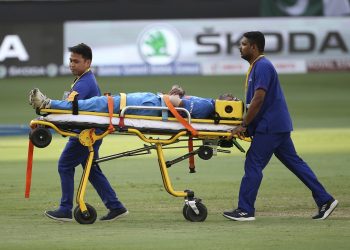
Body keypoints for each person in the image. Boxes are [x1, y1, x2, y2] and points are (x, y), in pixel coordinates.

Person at [223, 31, 338, 221]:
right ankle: (325, 199)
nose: (240, 47)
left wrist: (244, 124)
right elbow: (255, 101)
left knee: (253, 162)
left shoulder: (263, 66)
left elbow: (259, 98)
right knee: (295, 163)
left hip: (270, 126)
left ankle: (245, 210)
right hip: (277, 125)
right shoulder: (257, 66)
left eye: (243, 44)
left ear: (254, 47)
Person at [38, 43, 128, 222]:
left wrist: (46, 115)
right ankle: (116, 206)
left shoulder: (85, 83)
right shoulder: (83, 80)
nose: (71, 64)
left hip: (86, 135)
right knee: (92, 170)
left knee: (65, 165)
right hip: (90, 133)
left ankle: (65, 209)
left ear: (87, 62)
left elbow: (69, 109)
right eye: (70, 60)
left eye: (76, 61)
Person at [29, 85, 219, 119]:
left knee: (97, 104)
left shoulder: (209, 106)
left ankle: (49, 104)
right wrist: (178, 93)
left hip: (150, 106)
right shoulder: (207, 103)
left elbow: (177, 104)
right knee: (99, 103)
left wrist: (175, 96)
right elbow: (179, 100)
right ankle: (53, 106)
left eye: (233, 100)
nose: (231, 98)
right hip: (152, 103)